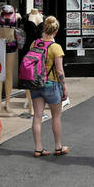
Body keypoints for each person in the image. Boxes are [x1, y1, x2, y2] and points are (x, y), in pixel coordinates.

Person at [29, 16, 69, 157]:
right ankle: (58, 146)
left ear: (44, 28)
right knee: (56, 116)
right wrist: (64, 87)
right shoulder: (56, 47)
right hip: (51, 85)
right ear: (56, 31)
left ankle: (38, 148)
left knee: (37, 117)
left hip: (35, 84)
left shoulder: (34, 43)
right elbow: (59, 71)